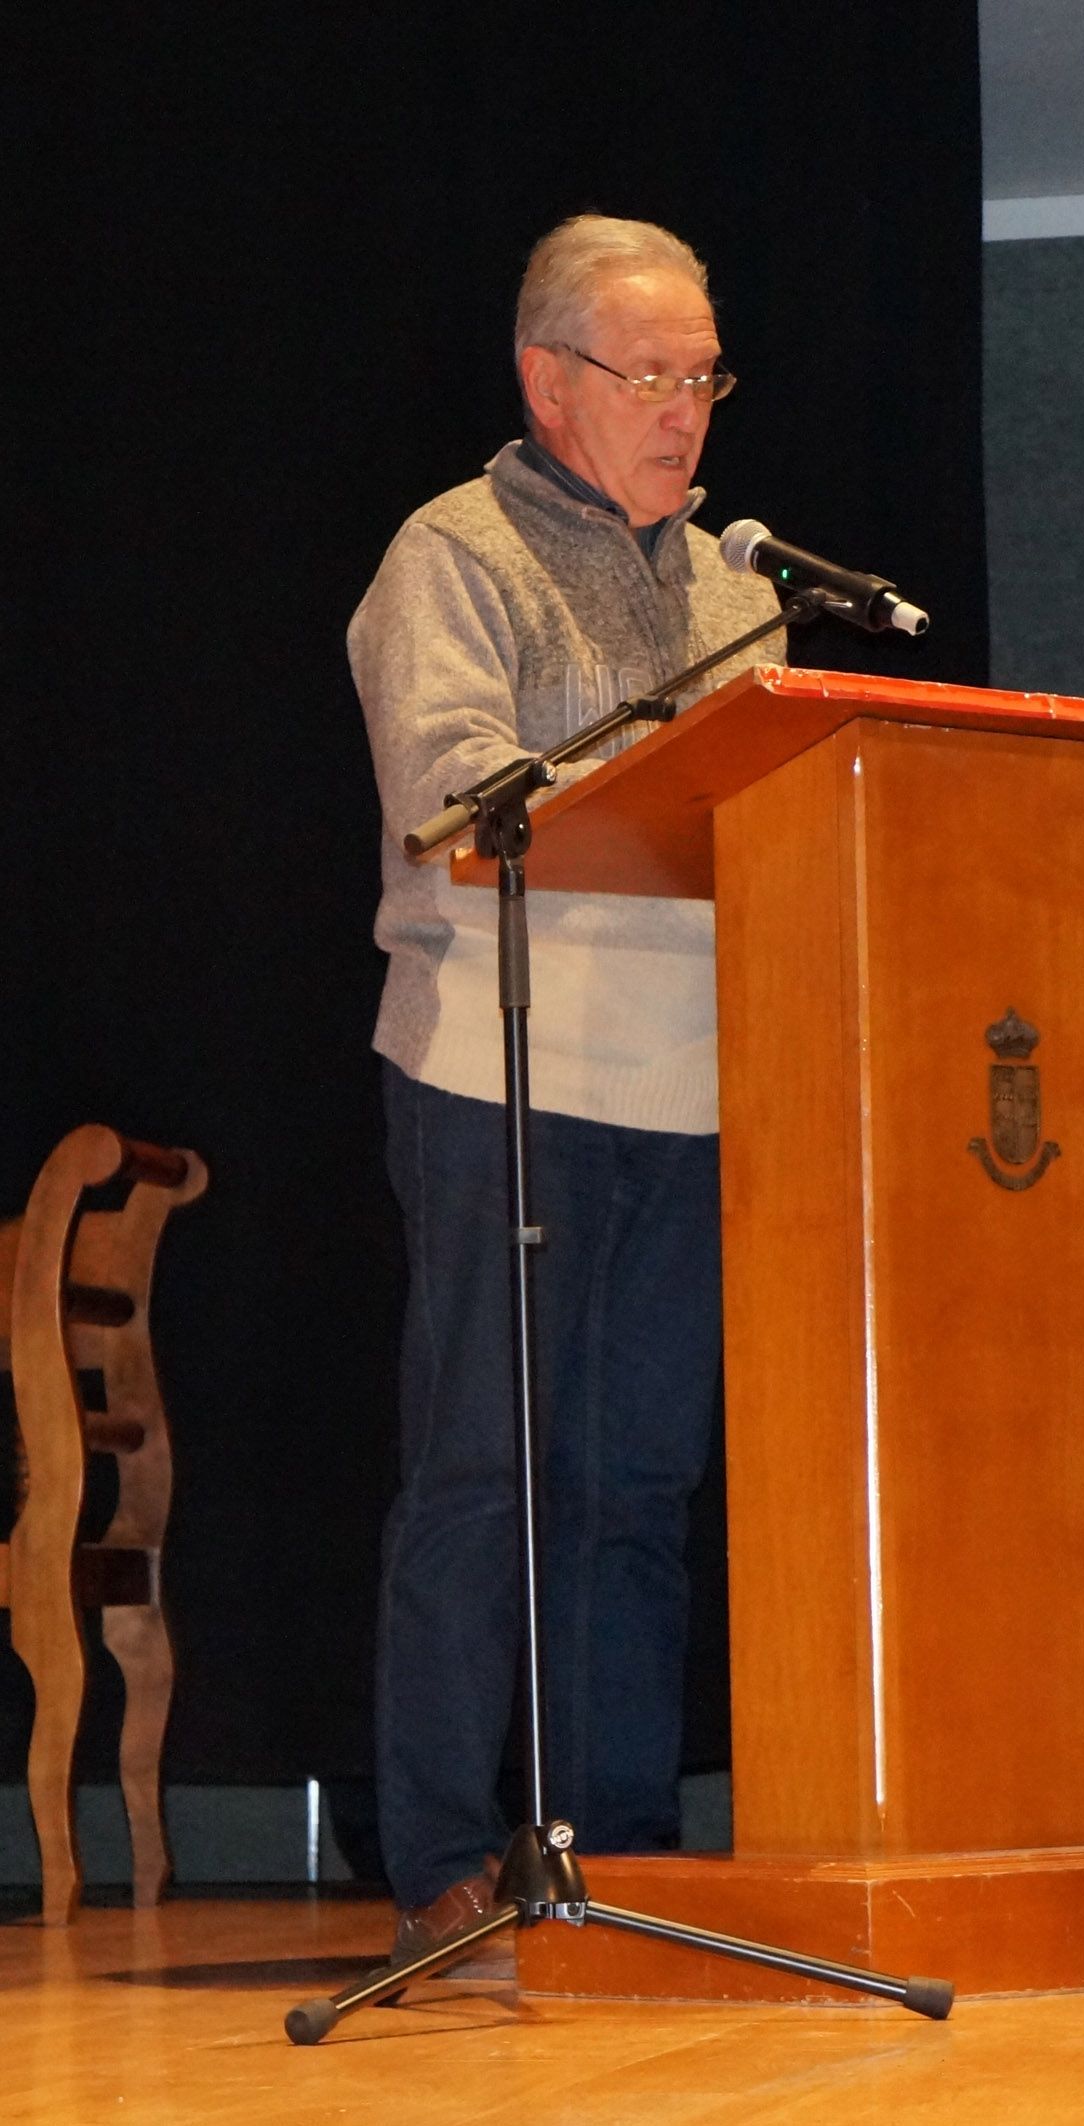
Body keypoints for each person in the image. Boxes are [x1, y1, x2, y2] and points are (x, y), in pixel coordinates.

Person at [348, 214, 783, 1960]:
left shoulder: (746, 593)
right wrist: (667, 765)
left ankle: (630, 1855)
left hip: (693, 1086)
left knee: (638, 1486)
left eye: (704, 377)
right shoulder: (445, 557)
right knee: (481, 1473)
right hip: (496, 1065)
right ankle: (445, 1860)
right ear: (550, 378)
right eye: (651, 375)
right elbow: (458, 787)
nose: (686, 411)